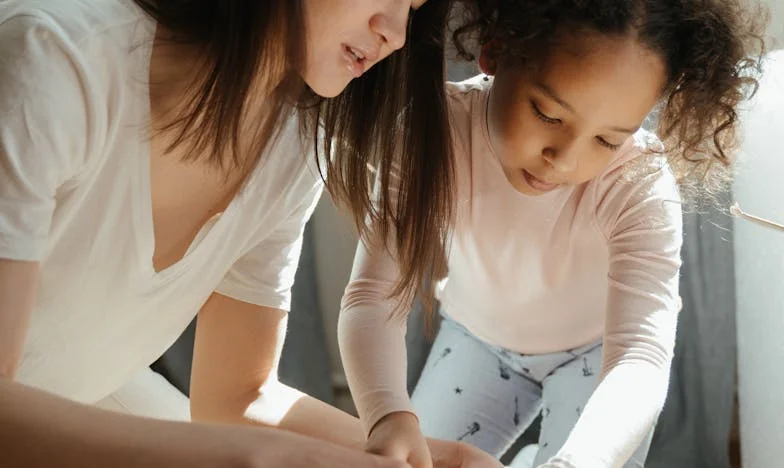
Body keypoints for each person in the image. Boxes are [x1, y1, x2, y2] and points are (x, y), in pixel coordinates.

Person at [0, 0, 503, 467]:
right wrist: (260, 456)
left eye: (413, 7)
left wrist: (427, 458)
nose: (394, 32)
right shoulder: (54, 59)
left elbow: (237, 396)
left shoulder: (293, 142)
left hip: (82, 401)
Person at [338, 0, 765, 467]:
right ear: (496, 51)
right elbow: (373, 294)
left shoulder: (640, 183)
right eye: (547, 113)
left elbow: (640, 357)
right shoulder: (433, 133)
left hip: (598, 357)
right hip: (476, 338)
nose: (564, 159)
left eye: (607, 140)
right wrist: (386, 416)